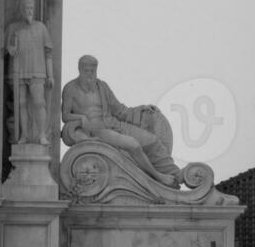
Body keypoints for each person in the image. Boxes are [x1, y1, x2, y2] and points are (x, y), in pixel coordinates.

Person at [61, 55, 179, 187]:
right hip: (97, 130)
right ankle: (158, 177)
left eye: (93, 71)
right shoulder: (70, 89)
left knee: (151, 140)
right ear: (80, 70)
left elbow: (119, 110)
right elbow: (65, 116)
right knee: (133, 145)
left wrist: (141, 109)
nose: (90, 75)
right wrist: (81, 117)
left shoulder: (102, 86)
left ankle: (176, 175)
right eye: (86, 71)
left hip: (113, 124)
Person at [5, 0, 54, 144]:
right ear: (21, 10)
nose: (29, 11)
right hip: (18, 71)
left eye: (31, 8)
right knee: (21, 103)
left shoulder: (41, 27)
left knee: (39, 102)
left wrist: (50, 75)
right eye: (26, 8)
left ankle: (42, 135)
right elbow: (4, 48)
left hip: (37, 70)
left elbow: (48, 54)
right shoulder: (14, 28)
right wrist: (10, 49)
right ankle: (24, 135)